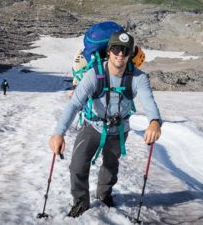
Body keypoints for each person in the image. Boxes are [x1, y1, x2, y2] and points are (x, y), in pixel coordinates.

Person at [49, 31, 162, 218]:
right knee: (77, 166)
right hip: (92, 127)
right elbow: (74, 104)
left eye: (126, 51)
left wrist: (155, 122)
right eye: (117, 49)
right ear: (109, 51)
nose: (120, 54)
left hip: (119, 130)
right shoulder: (94, 75)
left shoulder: (138, 78)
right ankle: (80, 202)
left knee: (110, 166)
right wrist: (58, 133)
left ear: (130, 54)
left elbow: (149, 102)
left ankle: (104, 194)